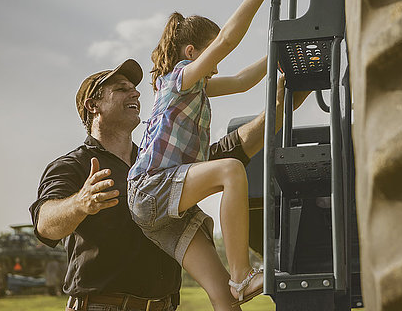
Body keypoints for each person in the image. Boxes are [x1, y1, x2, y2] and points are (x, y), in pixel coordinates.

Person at [30, 57, 308, 311]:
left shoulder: (159, 162)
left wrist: (281, 108)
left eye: (134, 88)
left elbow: (230, 150)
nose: (135, 93)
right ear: (93, 105)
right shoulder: (73, 165)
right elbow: (45, 224)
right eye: (121, 89)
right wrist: (80, 203)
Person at [127, 0, 288, 310]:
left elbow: (244, 80)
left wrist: (280, 52)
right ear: (192, 51)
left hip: (167, 210)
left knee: (224, 297)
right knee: (229, 170)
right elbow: (227, 40)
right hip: (152, 188)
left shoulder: (197, 86)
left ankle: (237, 285)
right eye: (210, 57)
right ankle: (242, 273)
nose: (215, 67)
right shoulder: (178, 80)